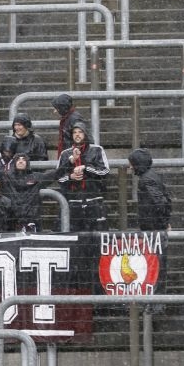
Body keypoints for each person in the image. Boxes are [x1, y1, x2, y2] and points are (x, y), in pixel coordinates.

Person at [56, 121, 110, 287]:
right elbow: (58, 177)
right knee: (75, 250)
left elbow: (105, 172)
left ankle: (96, 286)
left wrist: (86, 168)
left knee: (96, 248)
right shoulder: (66, 154)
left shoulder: (97, 150)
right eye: (74, 132)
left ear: (85, 134)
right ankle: (76, 286)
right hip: (73, 206)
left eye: (80, 132)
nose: (77, 135)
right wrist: (71, 176)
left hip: (94, 205)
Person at [4, 153, 58, 232]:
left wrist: (70, 162)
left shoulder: (36, 177)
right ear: (14, 163)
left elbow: (55, 174)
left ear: (27, 163)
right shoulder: (7, 178)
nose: (21, 161)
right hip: (12, 223)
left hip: (33, 223)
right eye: (18, 159)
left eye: (23, 159)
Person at [128, 148, 172, 231]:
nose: (130, 167)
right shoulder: (151, 175)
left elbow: (159, 202)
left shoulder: (146, 179)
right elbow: (166, 199)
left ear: (138, 163)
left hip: (153, 226)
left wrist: (164, 224)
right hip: (154, 224)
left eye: (132, 164)